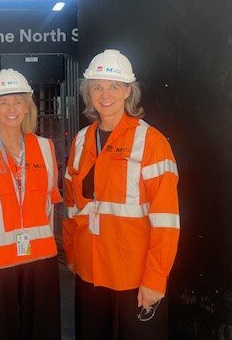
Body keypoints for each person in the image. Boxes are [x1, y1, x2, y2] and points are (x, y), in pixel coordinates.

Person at [63, 49, 180, 340]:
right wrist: (72, 254)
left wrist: (155, 278)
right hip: (90, 273)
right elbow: (72, 206)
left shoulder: (150, 141)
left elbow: (166, 219)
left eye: (114, 86)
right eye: (97, 86)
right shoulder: (80, 141)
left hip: (134, 277)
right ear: (88, 92)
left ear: (128, 91)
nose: (105, 94)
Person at [0, 68, 62, 340]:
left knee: (42, 332)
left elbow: (49, 207)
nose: (12, 109)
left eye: (18, 101)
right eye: (3, 102)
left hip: (40, 261)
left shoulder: (45, 148)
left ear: (28, 107)